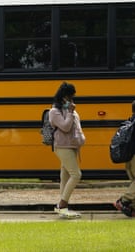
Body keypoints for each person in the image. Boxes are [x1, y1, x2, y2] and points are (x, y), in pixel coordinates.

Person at [49, 82, 85, 218]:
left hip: (72, 146)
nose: (71, 100)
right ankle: (62, 204)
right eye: (69, 97)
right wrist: (70, 112)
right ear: (63, 97)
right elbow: (65, 127)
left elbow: (76, 127)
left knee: (65, 176)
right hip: (62, 146)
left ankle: (63, 209)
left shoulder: (71, 110)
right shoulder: (54, 112)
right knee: (76, 174)